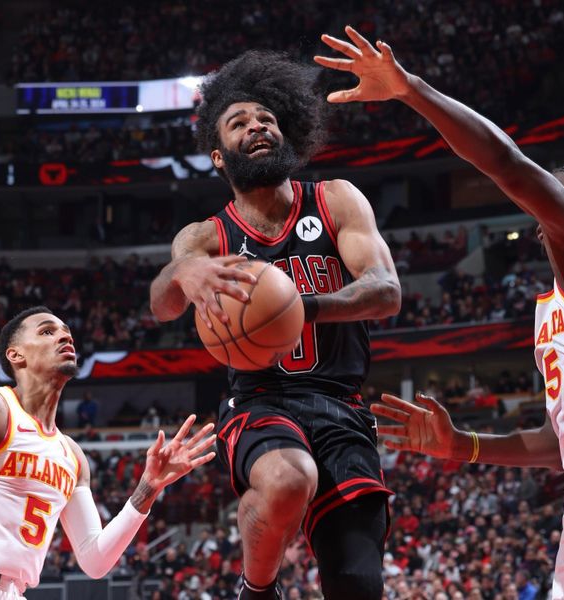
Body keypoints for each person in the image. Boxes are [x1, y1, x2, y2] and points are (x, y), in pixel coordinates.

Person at [315, 26, 564, 598]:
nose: (542, 215)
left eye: (555, 199)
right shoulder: (552, 309)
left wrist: (410, 90)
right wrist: (462, 446)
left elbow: (508, 164)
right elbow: (558, 446)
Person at [149, 51, 401, 600]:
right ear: (218, 157)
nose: (256, 127)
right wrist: (183, 271)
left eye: (265, 118)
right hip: (260, 398)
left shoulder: (335, 199)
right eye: (238, 123)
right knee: (288, 478)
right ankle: (257, 589)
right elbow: (162, 304)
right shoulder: (204, 238)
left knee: (359, 584)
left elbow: (386, 292)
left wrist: (300, 308)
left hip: (342, 402)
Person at [0, 306, 216, 599]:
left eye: (67, 333)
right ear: (16, 354)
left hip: (14, 592)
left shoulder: (72, 455)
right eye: (47, 331)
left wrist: (148, 488)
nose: (65, 337)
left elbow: (94, 561)